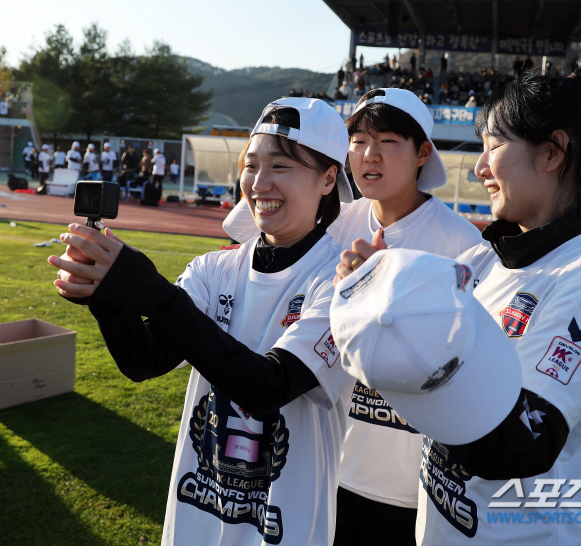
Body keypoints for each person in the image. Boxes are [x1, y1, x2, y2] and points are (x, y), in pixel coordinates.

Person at [334, 61, 581, 546]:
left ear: (552, 152)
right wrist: (374, 299)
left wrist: (403, 341)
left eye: (494, 146)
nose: (480, 167)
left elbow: (521, 443)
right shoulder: (486, 256)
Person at [49, 98, 357, 545]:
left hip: (285, 531)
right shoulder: (214, 269)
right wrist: (108, 297)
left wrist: (151, 292)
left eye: (281, 166)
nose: (259, 183)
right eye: (251, 165)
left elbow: (268, 386)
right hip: (194, 522)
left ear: (329, 178)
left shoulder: (342, 284)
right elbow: (145, 360)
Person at [223, 88, 482, 545]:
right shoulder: (337, 219)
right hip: (327, 463)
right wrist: (272, 170)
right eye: (358, 141)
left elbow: (465, 364)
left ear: (423, 152)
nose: (368, 155)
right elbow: (249, 227)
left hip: (405, 479)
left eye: (387, 141)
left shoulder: (460, 244)